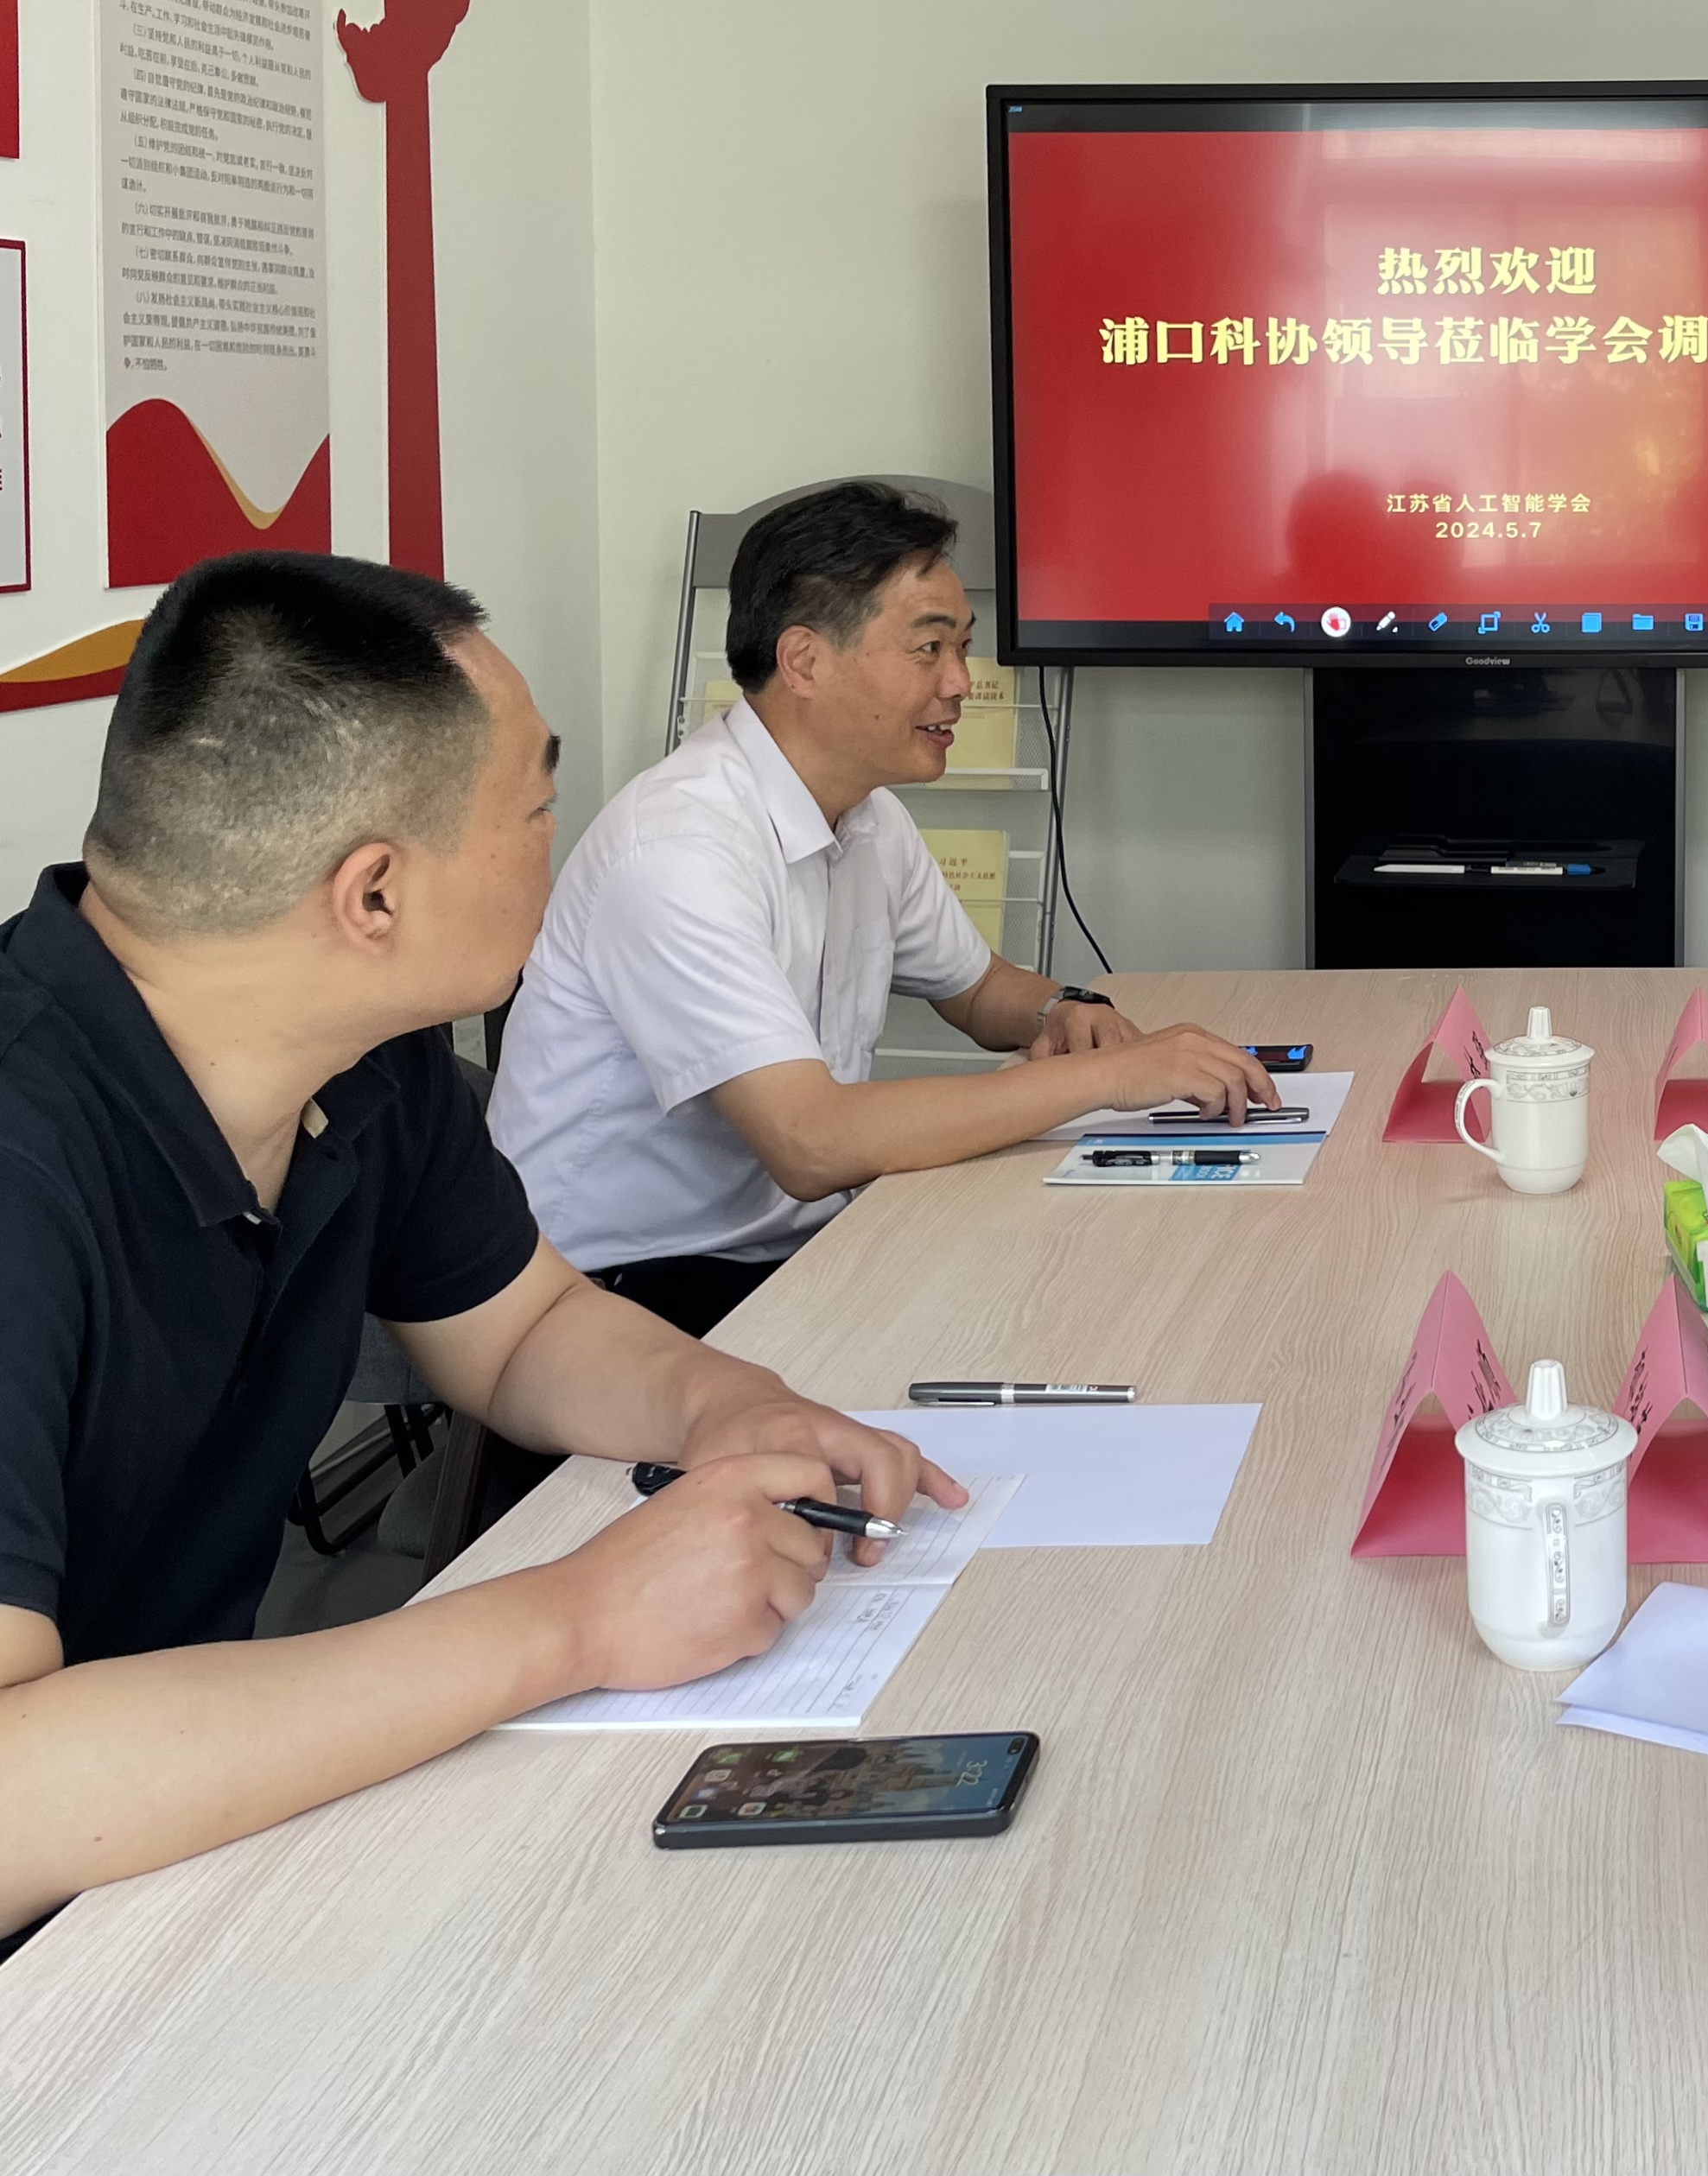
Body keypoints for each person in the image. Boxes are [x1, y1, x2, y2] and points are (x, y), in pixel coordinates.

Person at [0, 554, 964, 1951]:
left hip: (178, 1838)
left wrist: (723, 1404)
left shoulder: (361, 1051)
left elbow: (518, 1328)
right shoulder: (25, 1152)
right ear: (374, 896)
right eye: (534, 810)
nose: (557, 849)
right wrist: (578, 1614)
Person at [489, 482, 1274, 1335]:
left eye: (961, 647)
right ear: (804, 661)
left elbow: (979, 991)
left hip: (788, 1246)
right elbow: (811, 1142)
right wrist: (1109, 1078)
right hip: (612, 1291)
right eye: (928, 648)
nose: (960, 683)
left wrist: (1059, 1010)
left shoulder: (870, 816)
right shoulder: (676, 850)